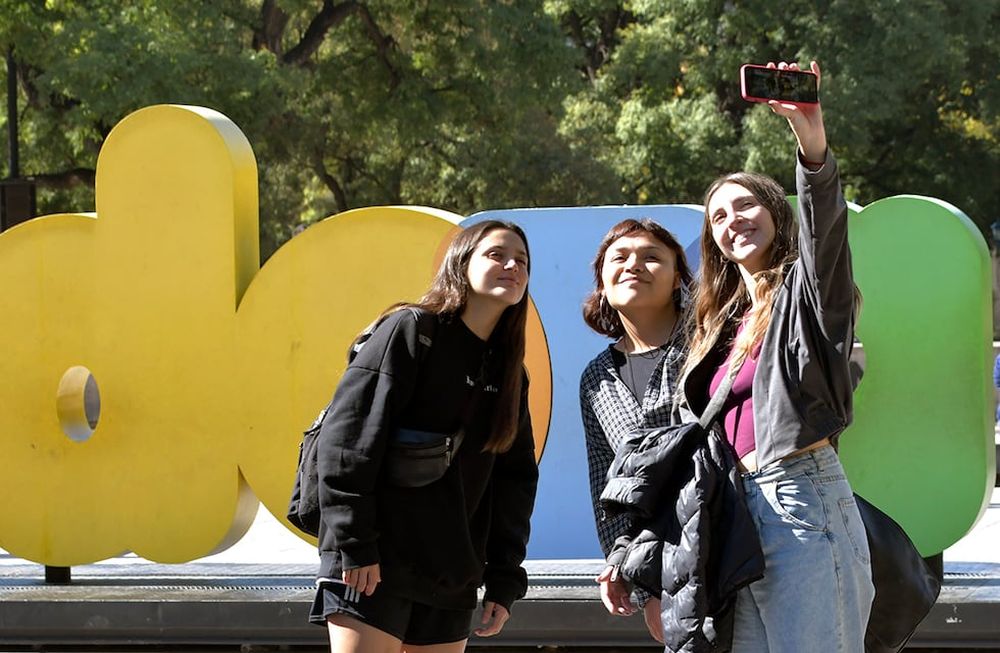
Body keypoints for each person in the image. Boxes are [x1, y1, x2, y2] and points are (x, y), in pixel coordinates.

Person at [676, 60, 874, 651]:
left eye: (745, 207)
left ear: (776, 213)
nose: (732, 221)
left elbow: (825, 233)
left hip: (800, 497)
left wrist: (811, 143)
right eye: (718, 216)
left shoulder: (810, 296)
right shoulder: (720, 321)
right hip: (735, 512)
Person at [310, 220, 539, 652]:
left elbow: (514, 482)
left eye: (522, 261)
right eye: (496, 254)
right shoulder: (412, 331)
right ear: (461, 263)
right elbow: (346, 442)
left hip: (451, 573)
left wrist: (504, 579)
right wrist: (355, 544)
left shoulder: (510, 374)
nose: (511, 265)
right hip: (374, 563)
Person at [579, 218, 694, 643]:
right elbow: (608, 483)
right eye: (620, 257)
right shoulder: (597, 378)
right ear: (603, 281)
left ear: (678, 278)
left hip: (734, 539)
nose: (634, 265)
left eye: (652, 257)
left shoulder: (711, 343)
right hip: (663, 564)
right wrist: (628, 567)